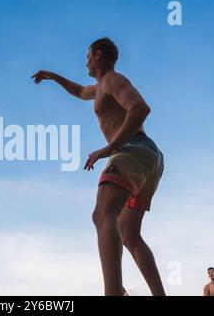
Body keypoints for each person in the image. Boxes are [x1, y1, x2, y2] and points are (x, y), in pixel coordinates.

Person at [33, 37, 166, 296]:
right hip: (149, 158)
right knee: (130, 235)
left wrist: (108, 148)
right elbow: (80, 91)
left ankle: (113, 293)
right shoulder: (100, 87)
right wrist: (52, 76)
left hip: (133, 151)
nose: (84, 62)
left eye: (86, 56)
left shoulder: (114, 81)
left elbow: (140, 108)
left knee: (103, 215)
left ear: (97, 55)